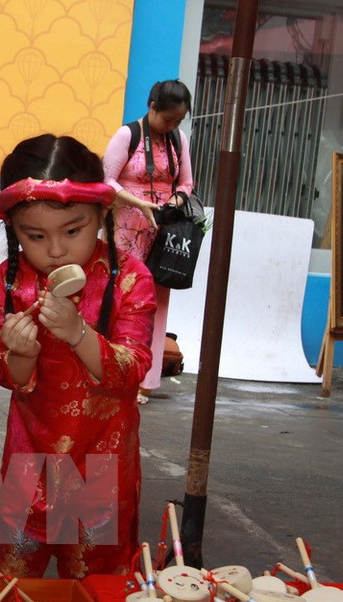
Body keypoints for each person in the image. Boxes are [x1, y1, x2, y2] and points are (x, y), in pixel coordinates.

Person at [0, 134, 156, 579]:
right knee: (9, 587)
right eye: (34, 236)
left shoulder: (129, 279)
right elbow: (7, 375)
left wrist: (79, 334)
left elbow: (132, 368)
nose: (55, 250)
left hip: (103, 460)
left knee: (96, 586)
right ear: (13, 230)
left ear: (102, 215)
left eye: (72, 231)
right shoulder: (10, 284)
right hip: (29, 458)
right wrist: (18, 353)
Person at [103, 79, 194, 405]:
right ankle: (114, 373)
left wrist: (176, 203)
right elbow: (106, 182)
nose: (172, 126)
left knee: (156, 305)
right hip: (125, 229)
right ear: (151, 106)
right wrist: (139, 203)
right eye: (168, 119)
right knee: (121, 300)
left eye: (178, 121)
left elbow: (186, 182)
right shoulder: (127, 135)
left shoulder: (178, 140)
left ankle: (144, 380)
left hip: (162, 234)